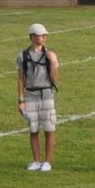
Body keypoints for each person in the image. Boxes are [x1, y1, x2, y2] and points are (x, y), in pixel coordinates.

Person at [18, 24, 59, 171]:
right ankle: (36, 161)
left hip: (46, 95)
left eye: (44, 35)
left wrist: (53, 62)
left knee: (49, 129)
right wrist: (21, 100)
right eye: (40, 35)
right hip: (30, 96)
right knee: (33, 129)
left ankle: (47, 162)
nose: (44, 37)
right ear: (32, 37)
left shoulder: (50, 54)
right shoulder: (22, 56)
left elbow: (55, 80)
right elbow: (21, 79)